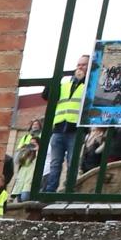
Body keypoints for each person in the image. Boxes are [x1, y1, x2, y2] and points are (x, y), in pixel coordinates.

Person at [41, 53, 90, 194]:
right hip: (59, 128)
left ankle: (70, 191)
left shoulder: (89, 86)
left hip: (75, 129)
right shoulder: (65, 85)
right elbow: (47, 96)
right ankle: (50, 191)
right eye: (78, 65)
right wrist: (56, 78)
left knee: (72, 163)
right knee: (55, 163)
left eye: (84, 65)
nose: (80, 67)